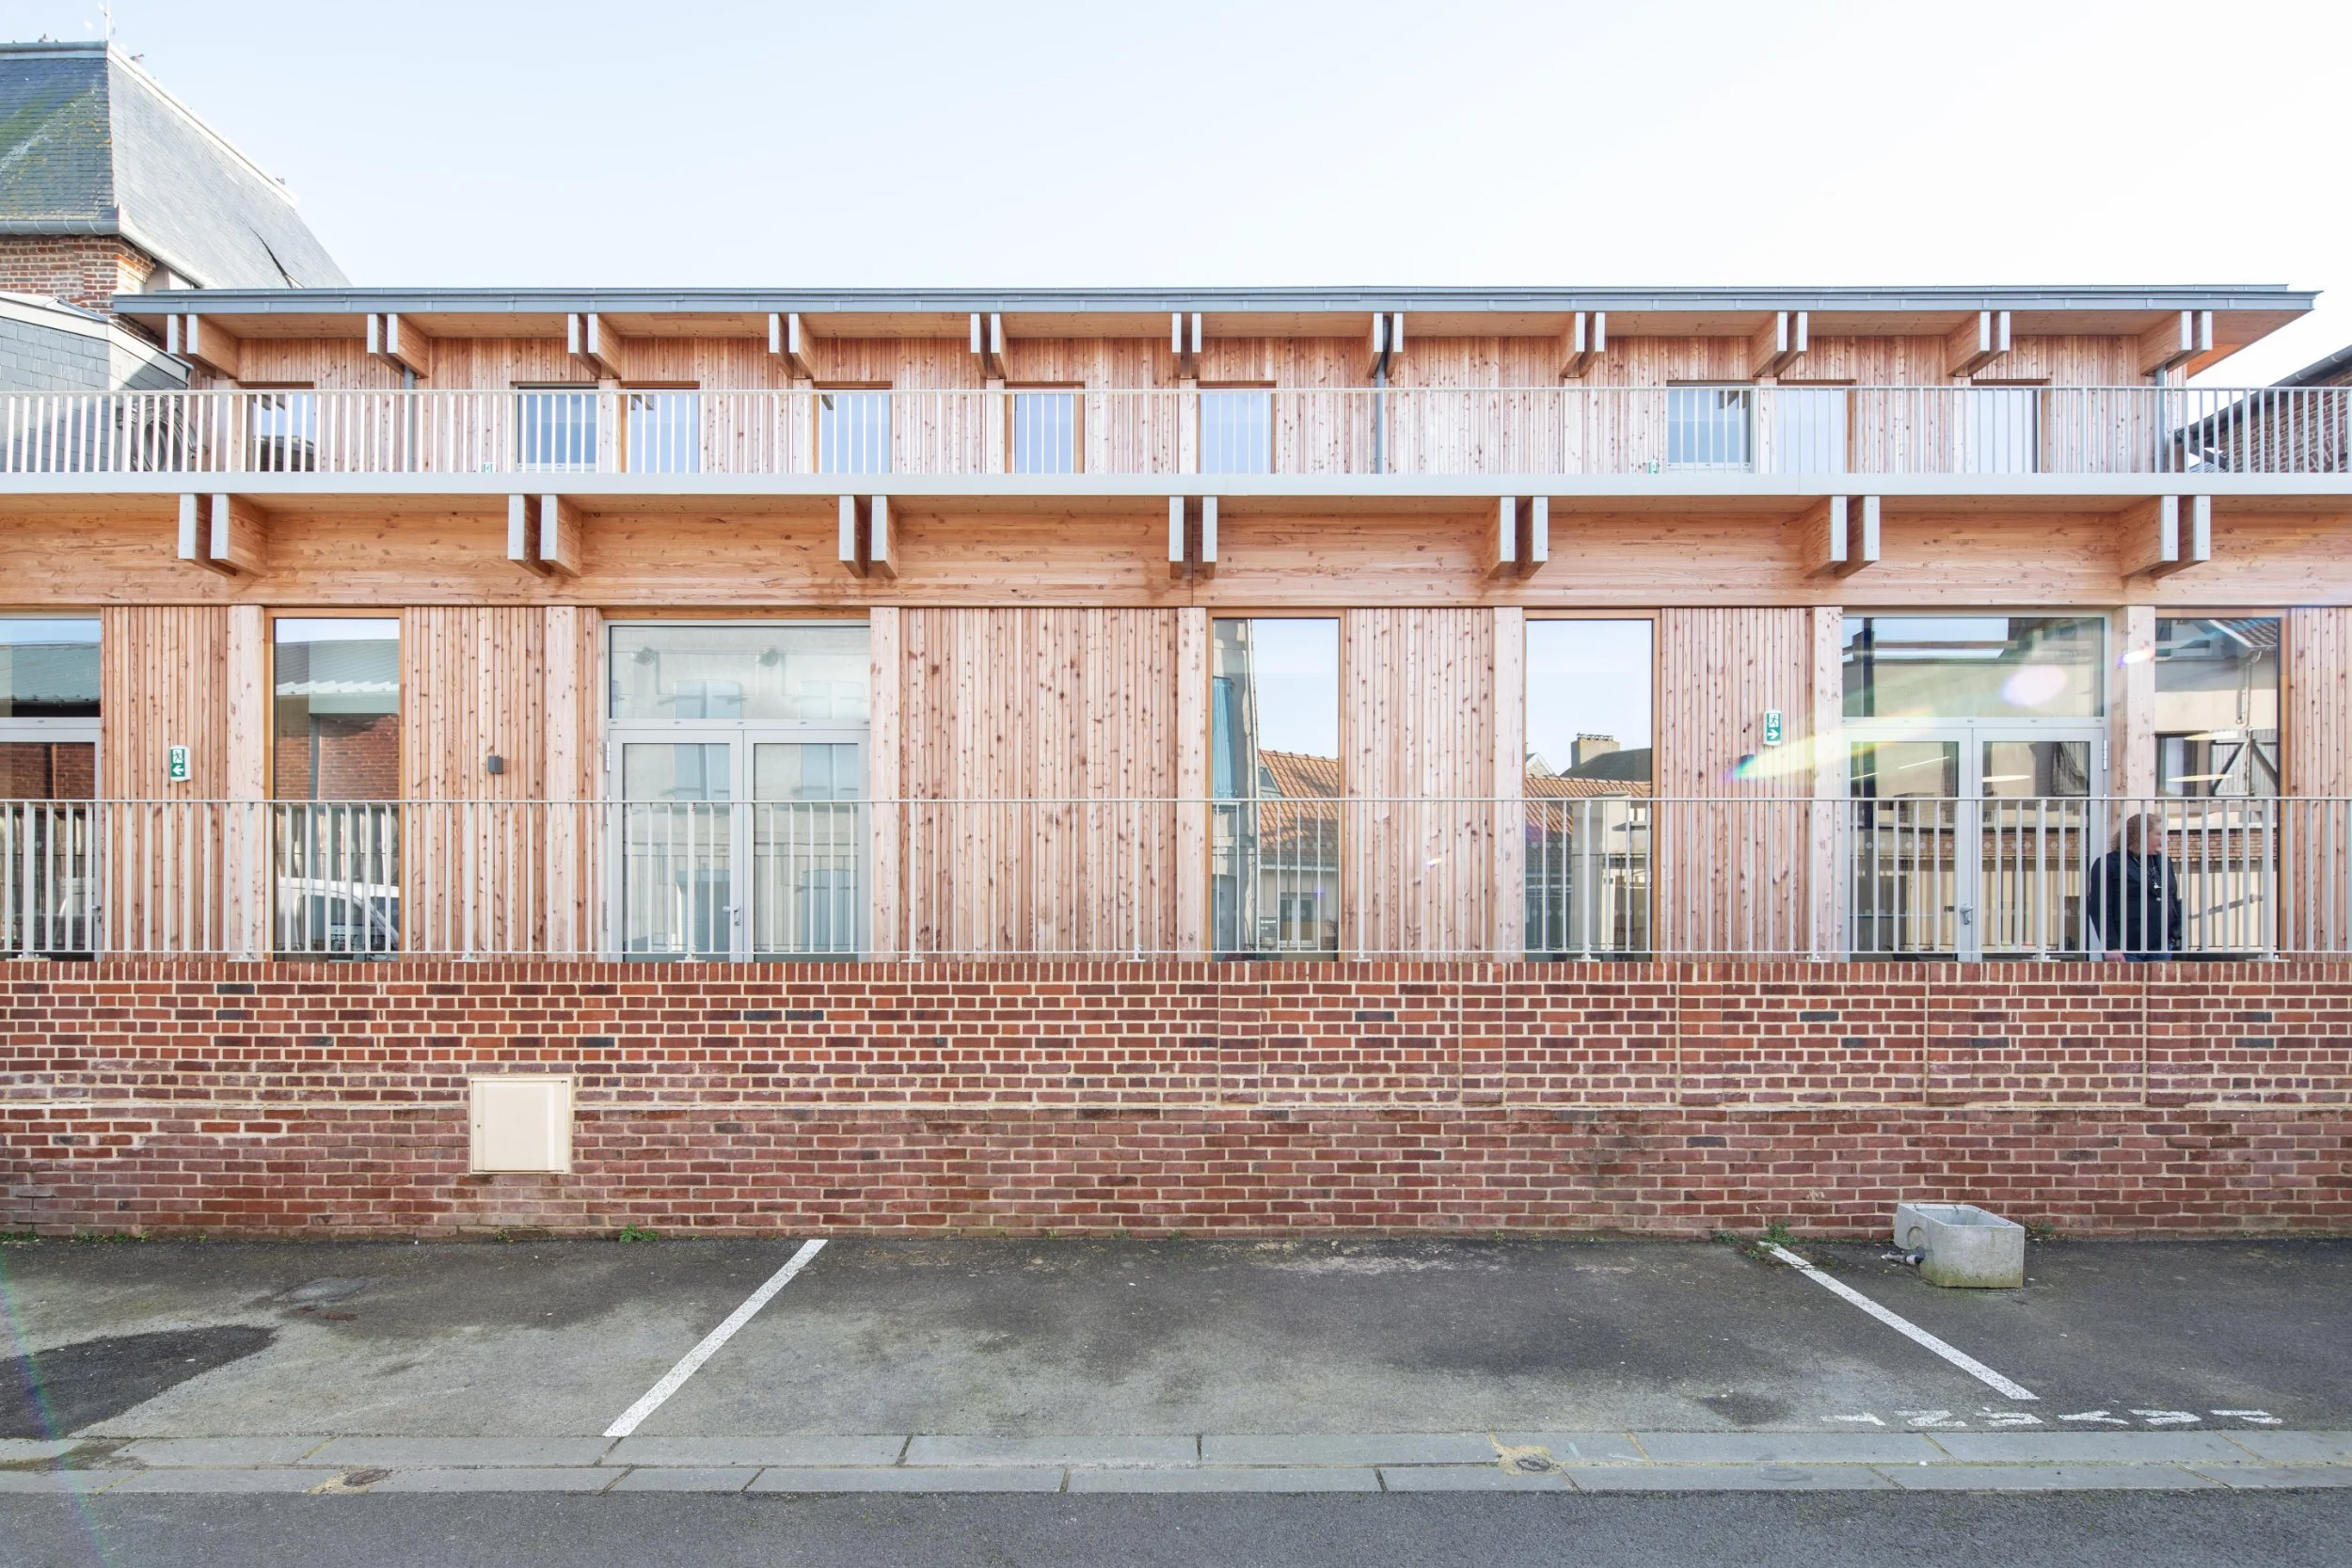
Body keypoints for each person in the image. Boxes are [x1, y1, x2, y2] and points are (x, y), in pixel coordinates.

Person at [2085, 813, 2183, 960]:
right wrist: (2111, 946)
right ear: (2140, 835)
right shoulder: (2109, 864)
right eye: (2159, 834)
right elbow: (2100, 909)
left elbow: (2173, 899)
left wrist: (2175, 933)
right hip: (2127, 950)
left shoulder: (2163, 862)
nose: (2167, 839)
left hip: (2162, 947)